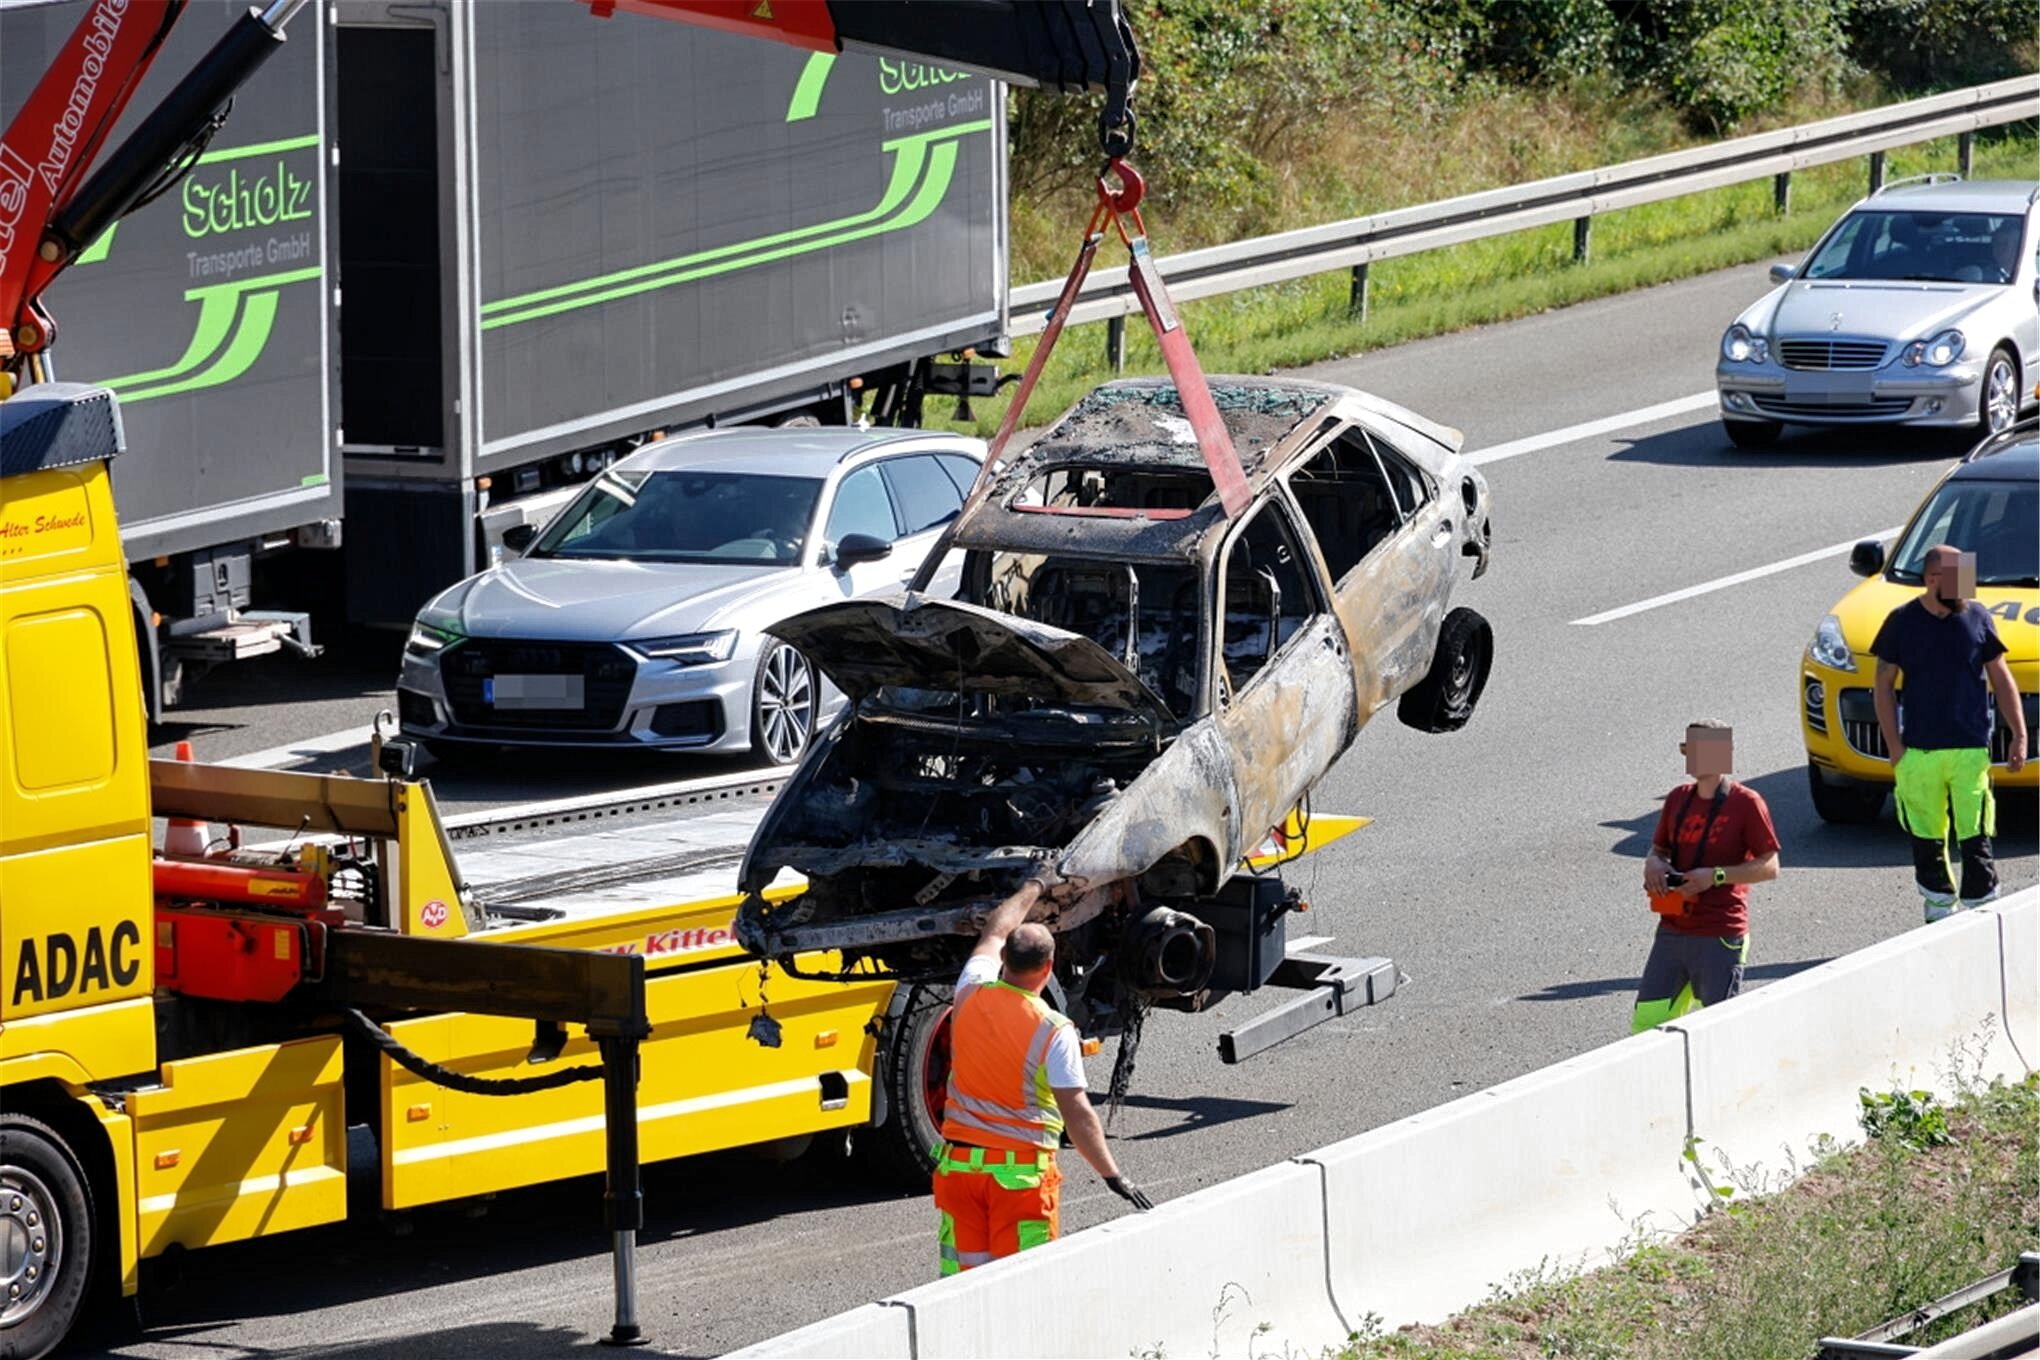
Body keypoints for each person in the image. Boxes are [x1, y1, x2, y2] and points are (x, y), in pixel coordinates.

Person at [932, 879, 1151, 1277]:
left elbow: (995, 930)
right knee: (1022, 1286)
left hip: (960, 1170)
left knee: (961, 1287)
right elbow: (1077, 1113)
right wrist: (1112, 1174)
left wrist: (1035, 884)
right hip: (1018, 1179)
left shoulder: (969, 993)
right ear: (1047, 969)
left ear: (1005, 961)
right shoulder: (1053, 1030)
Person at [1872, 544, 2028, 921]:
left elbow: (2001, 677)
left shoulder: (1977, 617)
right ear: (1931, 579)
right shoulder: (1902, 621)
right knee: (1928, 840)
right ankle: (1939, 914)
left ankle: (1982, 913)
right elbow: (1882, 683)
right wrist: (1894, 746)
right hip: (1919, 755)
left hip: (1970, 751)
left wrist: (2019, 734)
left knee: (1976, 836)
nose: (1966, 586)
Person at [1635, 721, 1782, 1033]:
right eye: (1688, 749)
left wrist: (1714, 876)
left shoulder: (1746, 803)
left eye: (1702, 750)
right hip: (1672, 930)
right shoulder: (1677, 798)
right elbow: (1658, 849)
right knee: (1645, 1029)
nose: (1693, 757)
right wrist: (1654, 863)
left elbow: (1770, 866)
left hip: (1719, 934)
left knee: (1716, 1032)